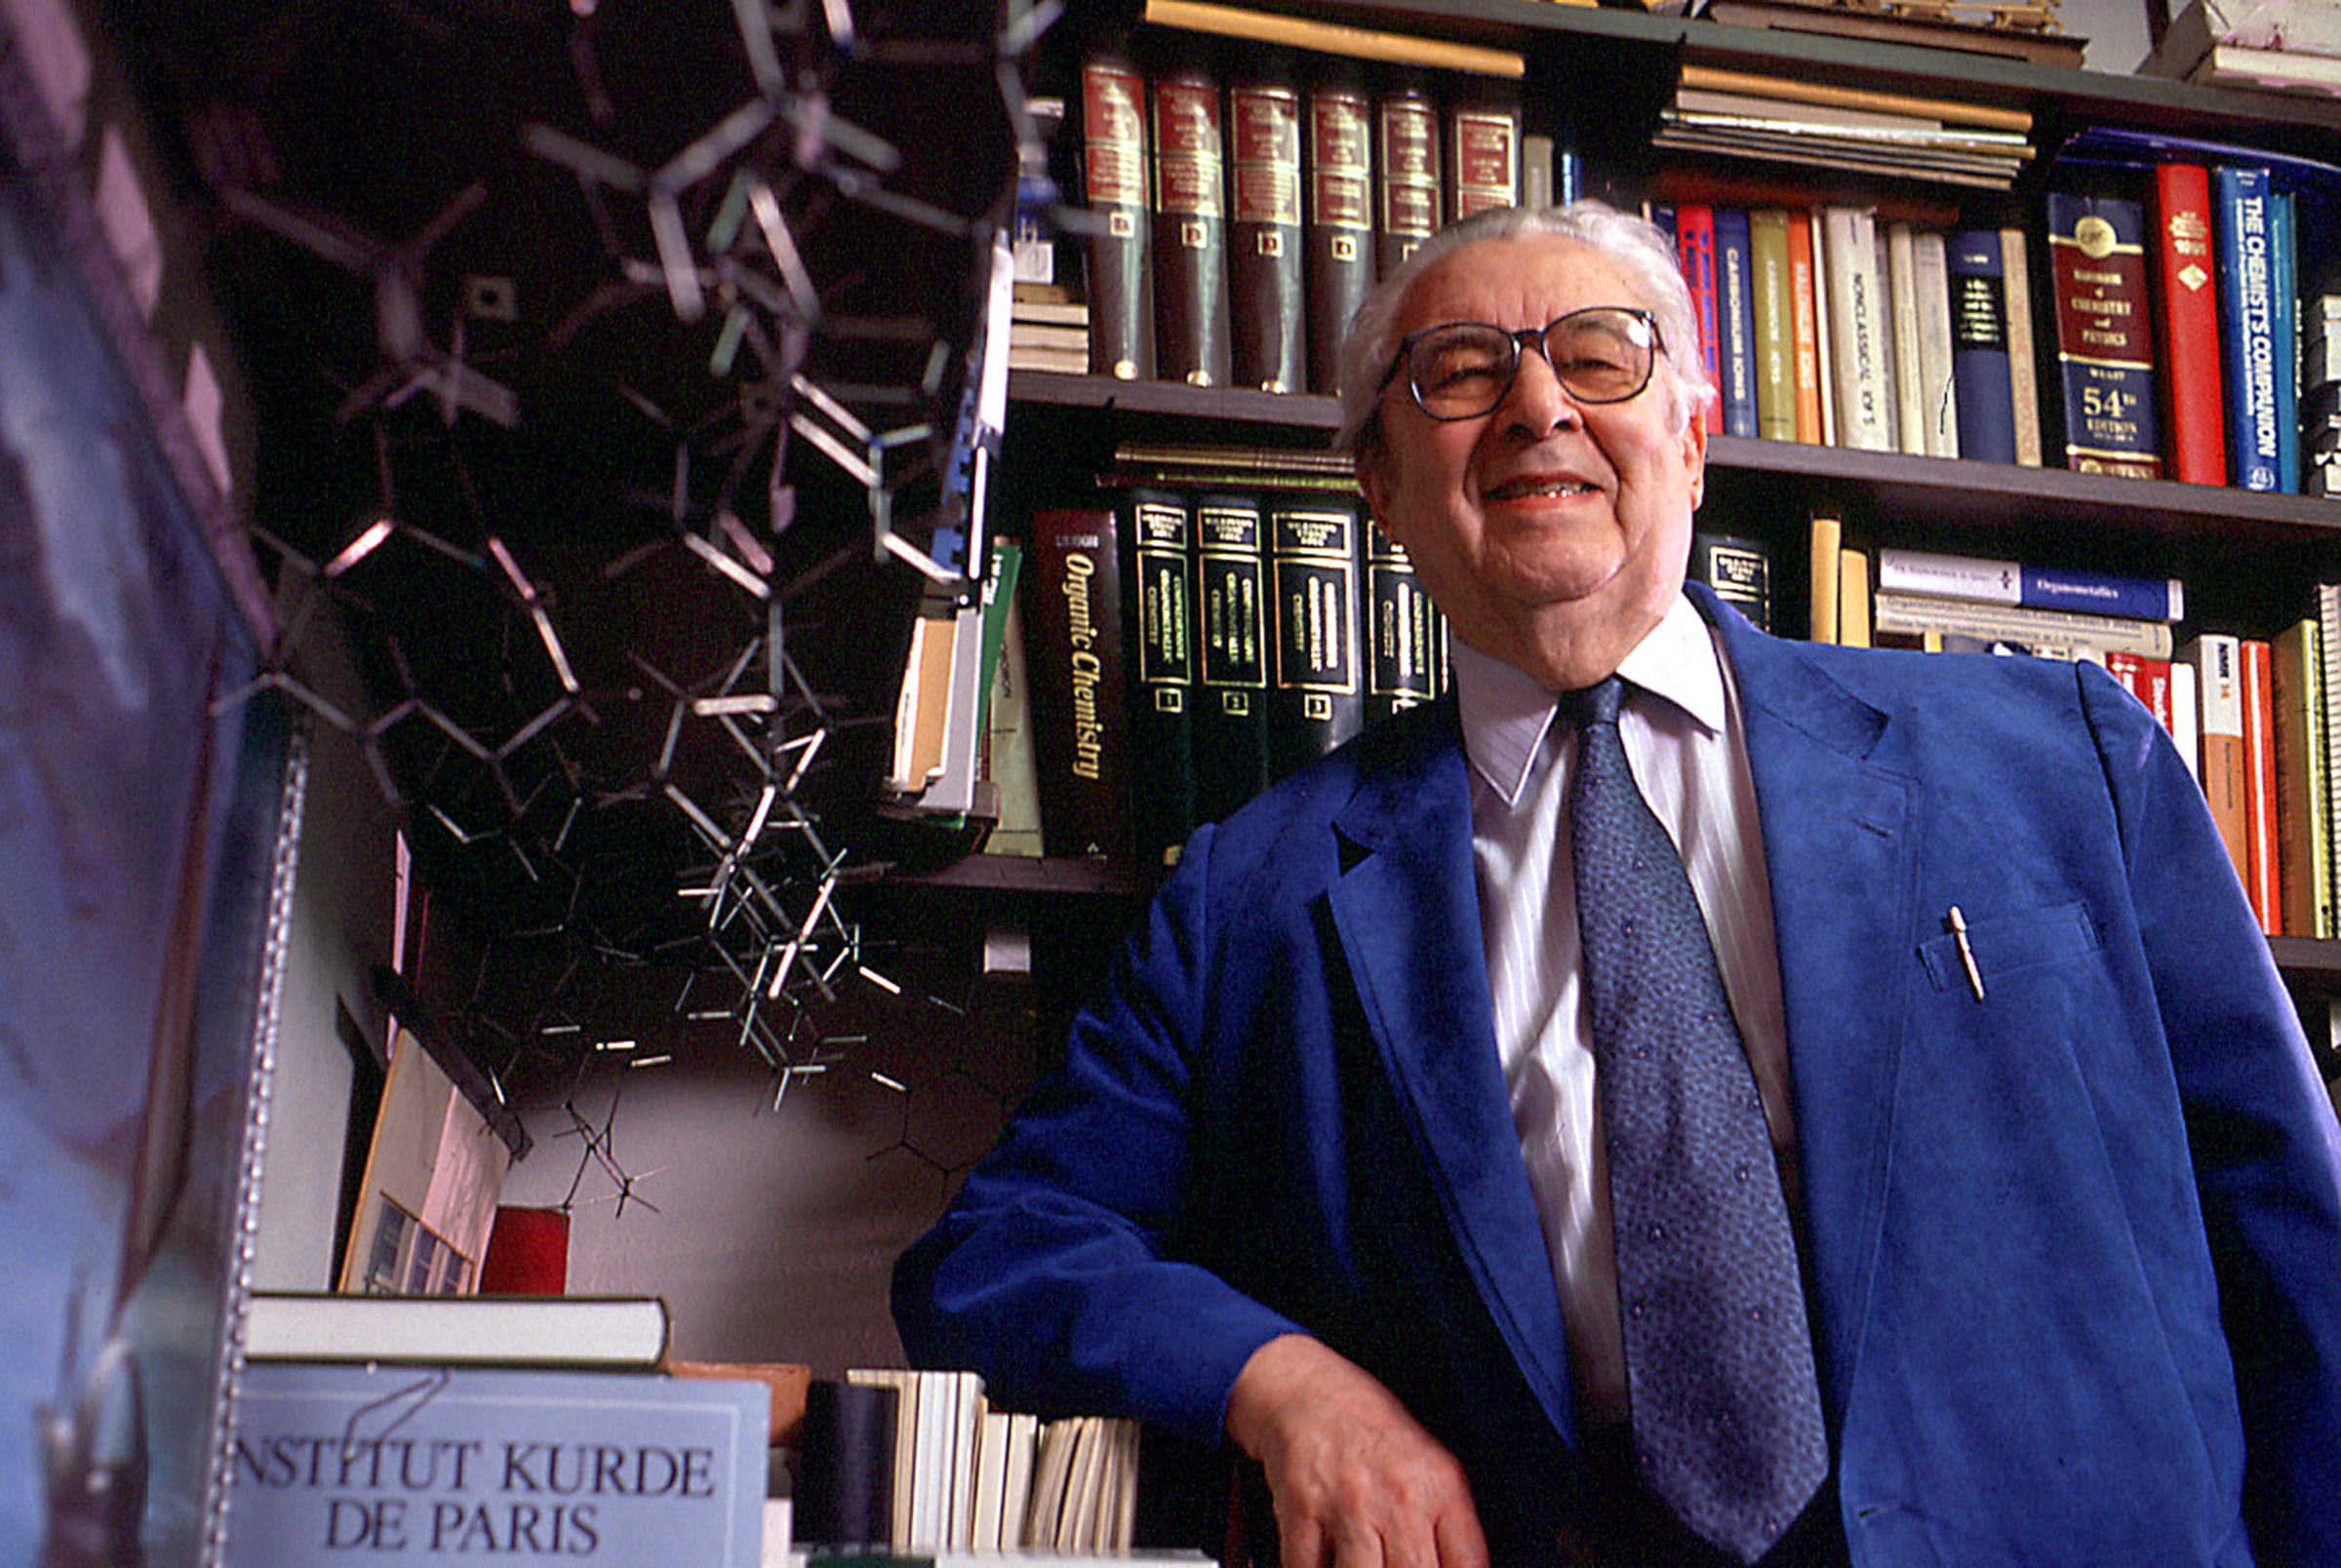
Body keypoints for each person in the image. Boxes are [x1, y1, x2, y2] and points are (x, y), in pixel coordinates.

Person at [891, 200, 2341, 1567]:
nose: (1539, 406)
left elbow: (2296, 1241)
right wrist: (1285, 1386)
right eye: (1462, 373)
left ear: (1691, 441)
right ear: (1379, 487)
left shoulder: (2062, 756)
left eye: (1598, 356)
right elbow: (1001, 1249)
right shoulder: (1251, 900)